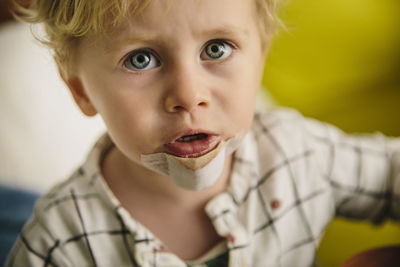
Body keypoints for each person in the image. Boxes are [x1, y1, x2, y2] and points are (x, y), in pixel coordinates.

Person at [6, 0, 400, 266]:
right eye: (141, 59)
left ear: (261, 56)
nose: (188, 96)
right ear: (81, 90)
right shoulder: (60, 242)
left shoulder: (296, 154)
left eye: (216, 49)